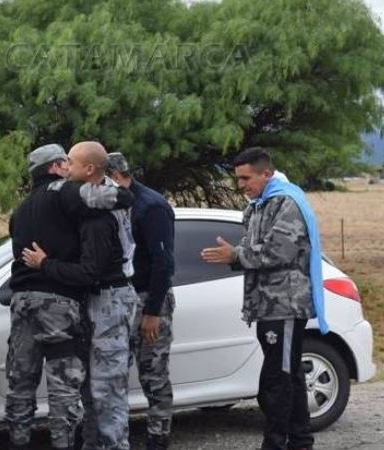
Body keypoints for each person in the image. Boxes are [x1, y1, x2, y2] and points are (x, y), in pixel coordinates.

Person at [6, 143, 134, 450]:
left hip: (21, 302)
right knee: (64, 389)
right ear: (53, 168)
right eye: (65, 163)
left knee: (20, 383)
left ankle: (18, 443)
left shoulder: (19, 211)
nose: (68, 169)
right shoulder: (66, 193)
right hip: (58, 302)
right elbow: (121, 197)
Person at [201, 147, 329, 450]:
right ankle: (300, 441)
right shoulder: (259, 205)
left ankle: (274, 443)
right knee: (290, 375)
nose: (241, 185)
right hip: (267, 306)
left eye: (246, 178)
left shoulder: (285, 202)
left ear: (266, 174)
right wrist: (235, 254)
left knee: (277, 381)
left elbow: (278, 252)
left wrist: (234, 254)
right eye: (238, 179)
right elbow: (253, 247)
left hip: (284, 305)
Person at [106, 152, 176, 450]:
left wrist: (152, 312)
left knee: (153, 372)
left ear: (116, 176)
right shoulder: (113, 204)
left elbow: (163, 263)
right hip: (120, 299)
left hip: (149, 297)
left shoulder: (150, 206)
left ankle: (158, 437)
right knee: (115, 372)